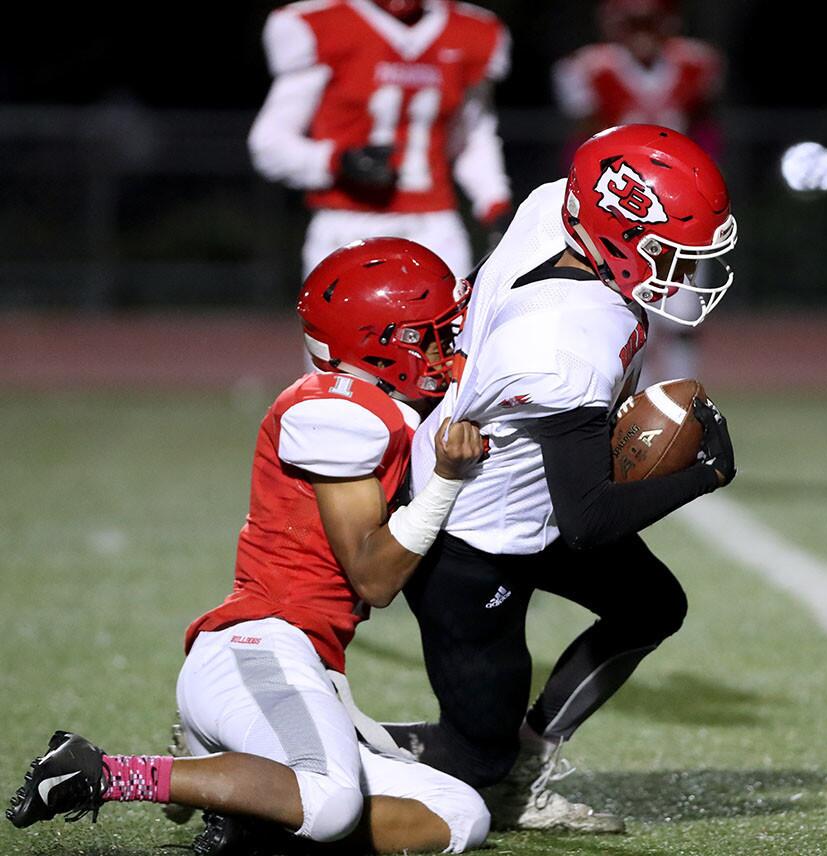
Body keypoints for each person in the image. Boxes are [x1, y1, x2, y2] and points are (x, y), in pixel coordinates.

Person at [6, 239, 490, 854]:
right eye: (429, 336)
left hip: (302, 665)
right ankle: (101, 772)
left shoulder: (382, 408)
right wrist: (448, 481)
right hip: (257, 648)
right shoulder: (338, 411)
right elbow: (373, 577)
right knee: (330, 799)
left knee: (458, 815)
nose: (445, 350)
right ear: (381, 343)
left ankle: (254, 816)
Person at [358, 124, 738, 834]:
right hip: (473, 537)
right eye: (669, 255)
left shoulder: (557, 208)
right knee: (475, 770)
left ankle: (529, 756)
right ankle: (301, 748)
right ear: (618, 234)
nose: (683, 276)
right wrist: (706, 474)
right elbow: (591, 518)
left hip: (529, 494)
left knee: (651, 605)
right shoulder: (565, 343)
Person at [248, 0, 513, 282]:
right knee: (345, 326)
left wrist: (495, 204)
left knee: (449, 325)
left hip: (434, 225)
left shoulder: (469, 32)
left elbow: (471, 138)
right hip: (347, 223)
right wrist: (337, 161)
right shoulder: (325, 25)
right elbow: (268, 144)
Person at [552, 0, 724, 386]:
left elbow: (708, 129)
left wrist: (705, 182)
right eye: (634, 23)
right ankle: (633, 406)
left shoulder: (695, 64)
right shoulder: (591, 69)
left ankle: (682, 401)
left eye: (651, 22)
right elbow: (582, 141)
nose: (643, 34)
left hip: (682, 205)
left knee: (683, 313)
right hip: (619, 211)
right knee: (624, 313)